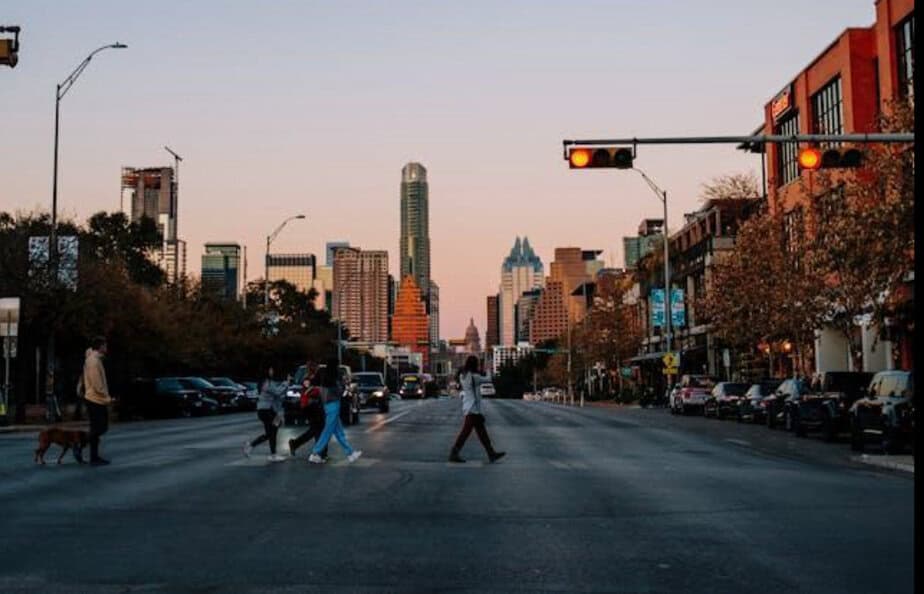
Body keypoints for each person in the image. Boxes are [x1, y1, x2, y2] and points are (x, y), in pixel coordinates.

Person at [449, 355, 505, 464]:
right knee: (465, 433)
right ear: (475, 365)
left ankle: (491, 453)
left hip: (468, 407)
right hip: (473, 409)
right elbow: (489, 379)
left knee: (481, 432)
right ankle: (454, 453)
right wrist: (488, 368)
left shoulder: (463, 376)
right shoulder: (475, 377)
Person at [308, 358, 362, 464]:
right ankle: (315, 453)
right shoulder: (334, 377)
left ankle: (350, 453)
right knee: (328, 431)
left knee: (339, 431)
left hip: (327, 405)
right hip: (334, 405)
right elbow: (340, 391)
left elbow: (314, 383)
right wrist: (345, 387)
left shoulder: (324, 375)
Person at [243, 366, 287, 462]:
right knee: (272, 432)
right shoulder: (266, 383)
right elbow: (278, 392)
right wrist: (286, 383)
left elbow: (278, 396)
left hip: (270, 411)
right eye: (270, 370)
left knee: (271, 432)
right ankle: (272, 454)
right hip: (265, 411)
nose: (272, 371)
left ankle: (251, 446)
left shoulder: (269, 382)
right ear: (266, 371)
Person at [82, 336, 113, 466]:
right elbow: (97, 384)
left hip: (96, 398)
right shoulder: (94, 361)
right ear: (100, 346)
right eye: (105, 345)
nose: (106, 348)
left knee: (99, 428)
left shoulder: (95, 360)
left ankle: (93, 456)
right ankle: (83, 448)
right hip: (95, 399)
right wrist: (107, 397)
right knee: (99, 428)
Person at [288, 361, 328, 459]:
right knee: (318, 429)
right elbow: (308, 392)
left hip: (316, 406)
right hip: (311, 407)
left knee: (317, 429)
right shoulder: (308, 379)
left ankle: (320, 452)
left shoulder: (314, 378)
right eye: (317, 368)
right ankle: (320, 453)